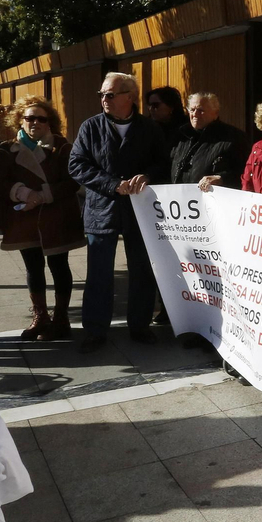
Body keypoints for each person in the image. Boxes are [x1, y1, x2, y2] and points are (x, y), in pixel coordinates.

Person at [68, 72, 171, 353]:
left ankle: (140, 326)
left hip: (140, 210)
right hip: (103, 208)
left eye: (110, 94)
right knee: (99, 273)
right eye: (101, 94)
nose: (104, 99)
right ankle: (95, 330)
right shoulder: (90, 127)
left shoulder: (149, 128)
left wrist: (147, 176)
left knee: (141, 270)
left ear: (129, 96)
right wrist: (112, 184)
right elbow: (77, 165)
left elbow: (164, 163)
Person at [0, 95, 85, 340]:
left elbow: (73, 181)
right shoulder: (7, 149)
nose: (35, 123)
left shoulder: (63, 147)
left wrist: (42, 196)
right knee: (33, 267)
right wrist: (22, 193)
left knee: (59, 265)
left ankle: (61, 318)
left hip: (56, 215)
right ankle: (40, 317)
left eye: (41, 119)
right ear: (20, 121)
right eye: (29, 118)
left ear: (49, 122)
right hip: (24, 217)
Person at [172, 92, 250, 192]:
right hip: (181, 200)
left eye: (201, 110)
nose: (195, 114)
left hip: (216, 201)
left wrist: (222, 179)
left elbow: (246, 173)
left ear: (215, 113)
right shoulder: (181, 137)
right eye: (192, 110)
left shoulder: (234, 137)